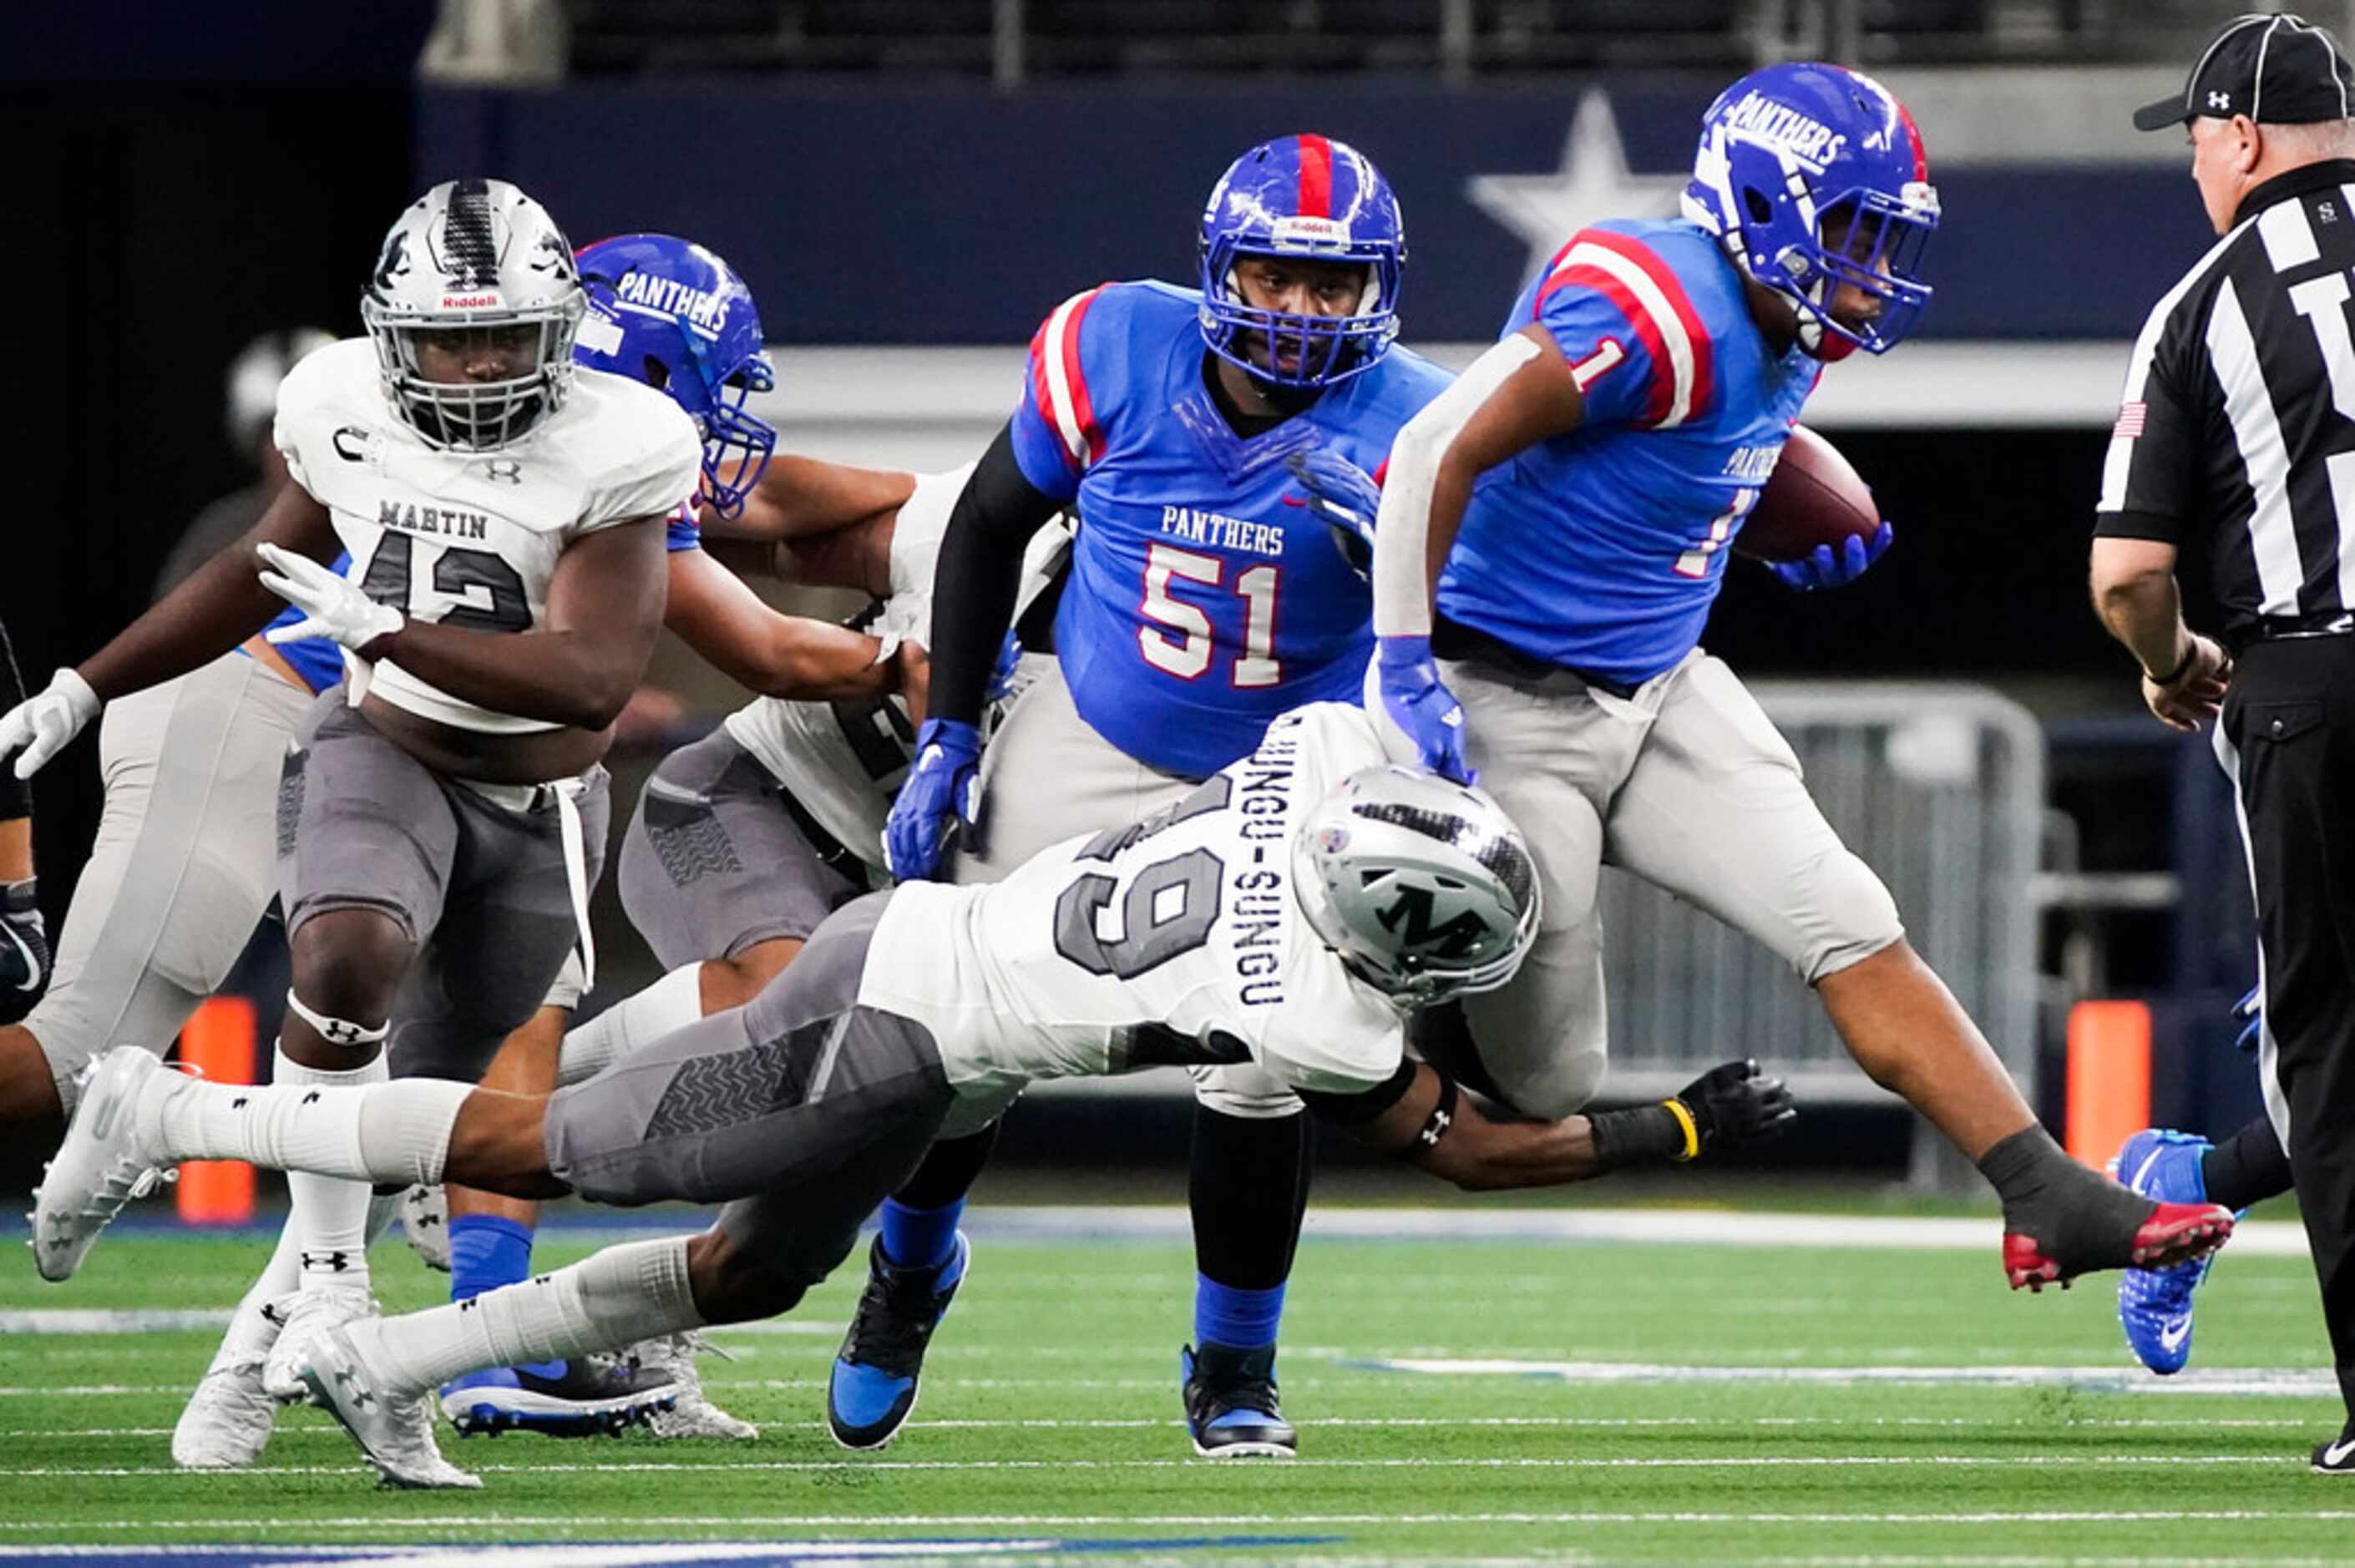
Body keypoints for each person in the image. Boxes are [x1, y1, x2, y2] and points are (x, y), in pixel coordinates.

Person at [36, 702, 1796, 1490]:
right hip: (899, 1024)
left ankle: (386, 1362)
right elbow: (1479, 1152)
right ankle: (165, 1116)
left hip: (926, 965)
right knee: (549, 1146)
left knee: (752, 1276)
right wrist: (1685, 1127)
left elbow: (1358, 751)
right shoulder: (1319, 1019)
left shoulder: (1323, 764)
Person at [1314, 58, 2231, 1327]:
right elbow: (1435, 447)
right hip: (1501, 699)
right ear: (1759, 201)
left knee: (1846, 910)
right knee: (1551, 1076)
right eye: (1853, 233)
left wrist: (1749, 513)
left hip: (1658, 688)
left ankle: (2043, 1188)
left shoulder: (1780, 317)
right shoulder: (1652, 302)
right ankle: (1415, 987)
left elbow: (1654, 459)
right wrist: (1403, 663)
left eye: (1885, 239)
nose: (1870, 270)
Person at [172, 230, 932, 1458]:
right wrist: (908, 657)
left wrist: (977, 515)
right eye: (707, 381)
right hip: (406, 758)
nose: (724, 416)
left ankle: (444, 1297)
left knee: (484, 1034)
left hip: (450, 758)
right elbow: (777, 650)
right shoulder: (573, 474)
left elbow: (794, 493)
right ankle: (467, 1317)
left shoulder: (572, 452)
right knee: (483, 1025)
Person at [5, 180, 702, 1417]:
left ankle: (202, 1150)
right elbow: (249, 576)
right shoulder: (347, 409)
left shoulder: (624, 456)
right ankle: (187, 1159)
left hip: (480, 766)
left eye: (511, 338)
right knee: (75, 1058)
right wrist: (79, 686)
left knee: (441, 1092)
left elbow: (605, 676)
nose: (483, 370)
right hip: (282, 714)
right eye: (452, 340)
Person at [869, 133, 1453, 1459]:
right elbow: (987, 523)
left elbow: (1473, 633)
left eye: (1336, 285)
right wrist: (952, 729)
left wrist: (1413, 573)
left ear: (1378, 291)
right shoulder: (1115, 345)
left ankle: (1235, 1363)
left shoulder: (1423, 423)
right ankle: (909, 1269)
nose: (1305, 310)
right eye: (1277, 274)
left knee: (1267, 1062)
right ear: (1219, 267)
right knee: (963, 1023)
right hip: (1094, 717)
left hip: (1280, 767)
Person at [2089, 11, 2355, 1472]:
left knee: (2334, 1047)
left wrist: (2170, 660)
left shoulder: (2201, 300)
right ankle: (2204, 1179)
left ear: (2240, 139)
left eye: (2195, 141)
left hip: (2306, 679)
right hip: (2314, 673)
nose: (2196, 169)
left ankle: (2196, 1180)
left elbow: (2127, 573)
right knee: (2337, 1049)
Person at [152, 329, 337, 602]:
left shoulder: (382, 518)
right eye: (276, 430)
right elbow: (170, 635)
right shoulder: (218, 536)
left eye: (309, 429)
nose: (294, 447)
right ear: (254, 444)